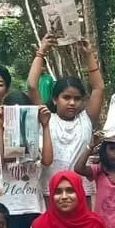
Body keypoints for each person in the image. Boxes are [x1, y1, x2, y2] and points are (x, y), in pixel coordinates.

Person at [26, 35, 105, 202]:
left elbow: (98, 88)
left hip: (81, 192)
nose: (72, 103)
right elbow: (32, 86)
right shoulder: (46, 118)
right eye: (66, 97)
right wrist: (41, 51)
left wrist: (89, 54)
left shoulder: (86, 119)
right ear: (55, 99)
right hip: (51, 192)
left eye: (77, 99)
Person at [0, 92, 54, 228]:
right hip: (7, 208)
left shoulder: (35, 137)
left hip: (32, 207)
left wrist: (45, 125)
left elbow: (47, 159)